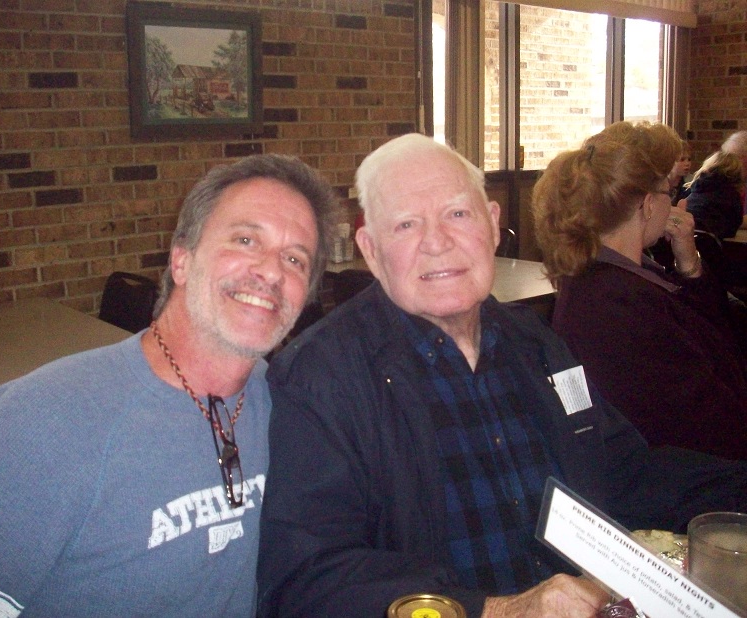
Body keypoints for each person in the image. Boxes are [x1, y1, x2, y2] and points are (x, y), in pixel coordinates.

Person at [256, 133, 747, 618]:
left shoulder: (535, 346)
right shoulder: (320, 379)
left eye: (457, 214)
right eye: (406, 224)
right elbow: (308, 579)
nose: (437, 242)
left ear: (492, 225)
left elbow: (622, 470)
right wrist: (495, 610)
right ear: (370, 248)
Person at [0, 154, 338, 617]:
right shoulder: (38, 426)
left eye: (295, 259)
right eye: (245, 239)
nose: (272, 271)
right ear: (182, 259)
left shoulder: (287, 405)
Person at [532, 121, 747, 461]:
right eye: (669, 191)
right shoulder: (616, 301)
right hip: (689, 474)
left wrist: (689, 262)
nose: (675, 203)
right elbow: (710, 418)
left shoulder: (618, 275)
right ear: (648, 204)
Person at [684, 149, 745, 239]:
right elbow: (734, 225)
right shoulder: (732, 196)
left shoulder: (695, 188)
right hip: (710, 243)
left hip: (684, 236)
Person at [668, 139, 691, 205]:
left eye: (689, 159)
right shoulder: (659, 185)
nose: (687, 163)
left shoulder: (689, 186)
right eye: (682, 160)